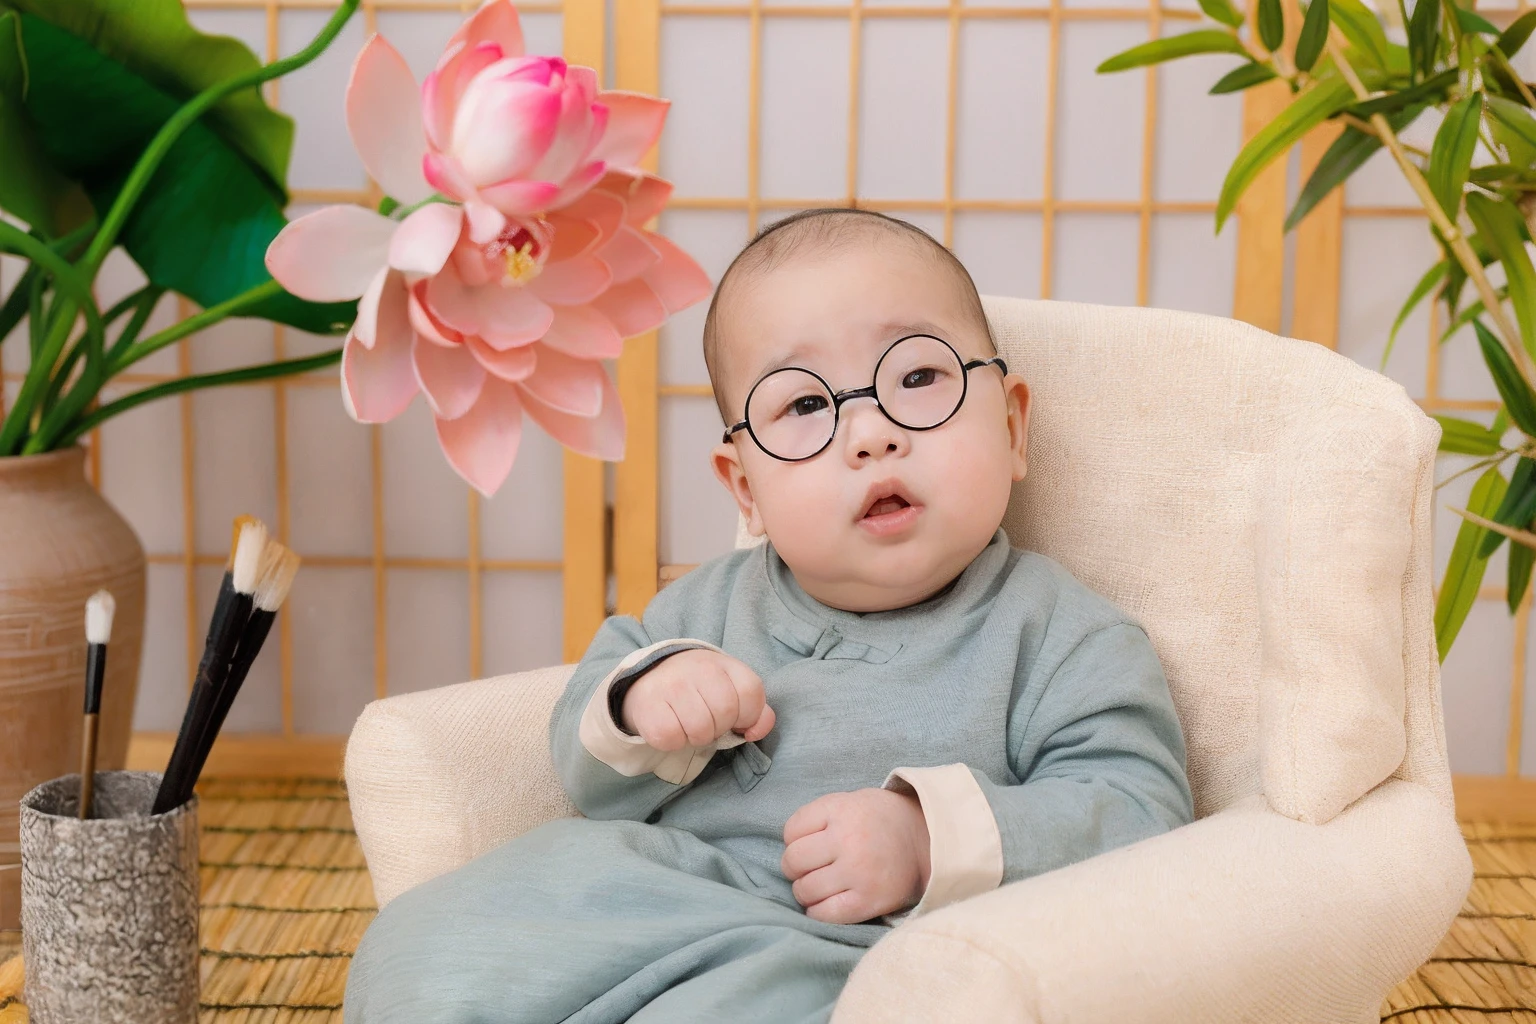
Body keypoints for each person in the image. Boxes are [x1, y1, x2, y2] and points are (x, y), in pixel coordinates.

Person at [343, 208, 1195, 1023]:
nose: (870, 433)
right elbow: (584, 764)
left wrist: (925, 840)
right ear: (746, 488)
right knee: (422, 946)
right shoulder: (705, 605)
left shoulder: (1062, 636)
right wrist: (645, 703)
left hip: (853, 950)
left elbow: (1138, 811)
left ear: (1012, 427)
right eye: (807, 406)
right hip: (669, 895)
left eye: (919, 377)